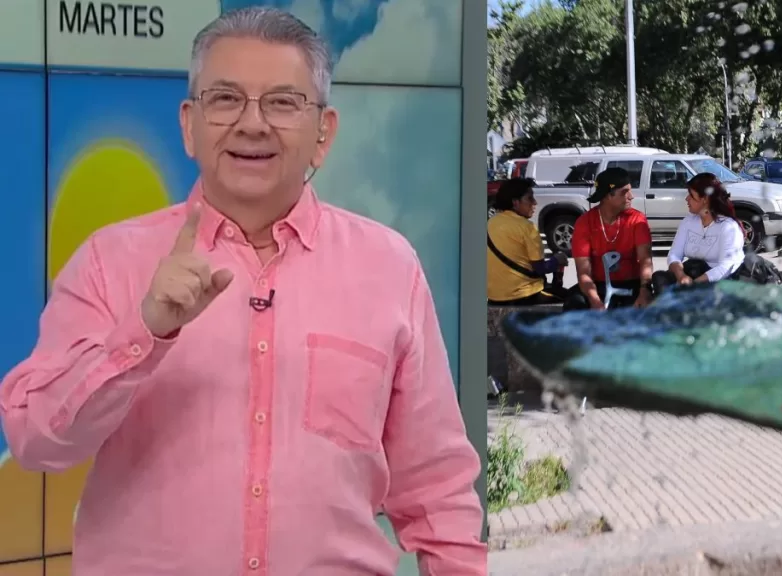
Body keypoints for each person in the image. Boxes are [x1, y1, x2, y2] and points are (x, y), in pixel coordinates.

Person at [0, 8, 485, 576]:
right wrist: (143, 334)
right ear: (189, 125)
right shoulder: (114, 261)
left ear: (323, 133)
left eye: (282, 102)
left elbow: (436, 483)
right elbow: (35, 438)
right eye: (226, 99)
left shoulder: (388, 266)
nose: (252, 124)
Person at [564, 167, 654, 311]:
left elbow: (645, 260)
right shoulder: (585, 222)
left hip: (632, 285)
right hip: (597, 286)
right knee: (574, 302)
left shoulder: (637, 219)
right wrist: (595, 300)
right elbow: (583, 272)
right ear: (607, 196)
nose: (631, 196)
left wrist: (645, 290)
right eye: (624, 192)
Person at [487, 178, 568, 305]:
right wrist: (557, 259)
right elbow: (540, 268)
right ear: (515, 202)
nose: (535, 202)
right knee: (575, 300)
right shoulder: (527, 227)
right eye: (530, 198)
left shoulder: (491, 223)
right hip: (525, 295)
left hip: (494, 297)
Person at [660, 173, 746, 286]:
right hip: (693, 278)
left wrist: (694, 285)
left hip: (721, 284)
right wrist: (681, 276)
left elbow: (726, 267)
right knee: (659, 279)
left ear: (705, 199)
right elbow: (674, 255)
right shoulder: (688, 222)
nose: (686, 199)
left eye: (691, 195)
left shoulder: (728, 227)